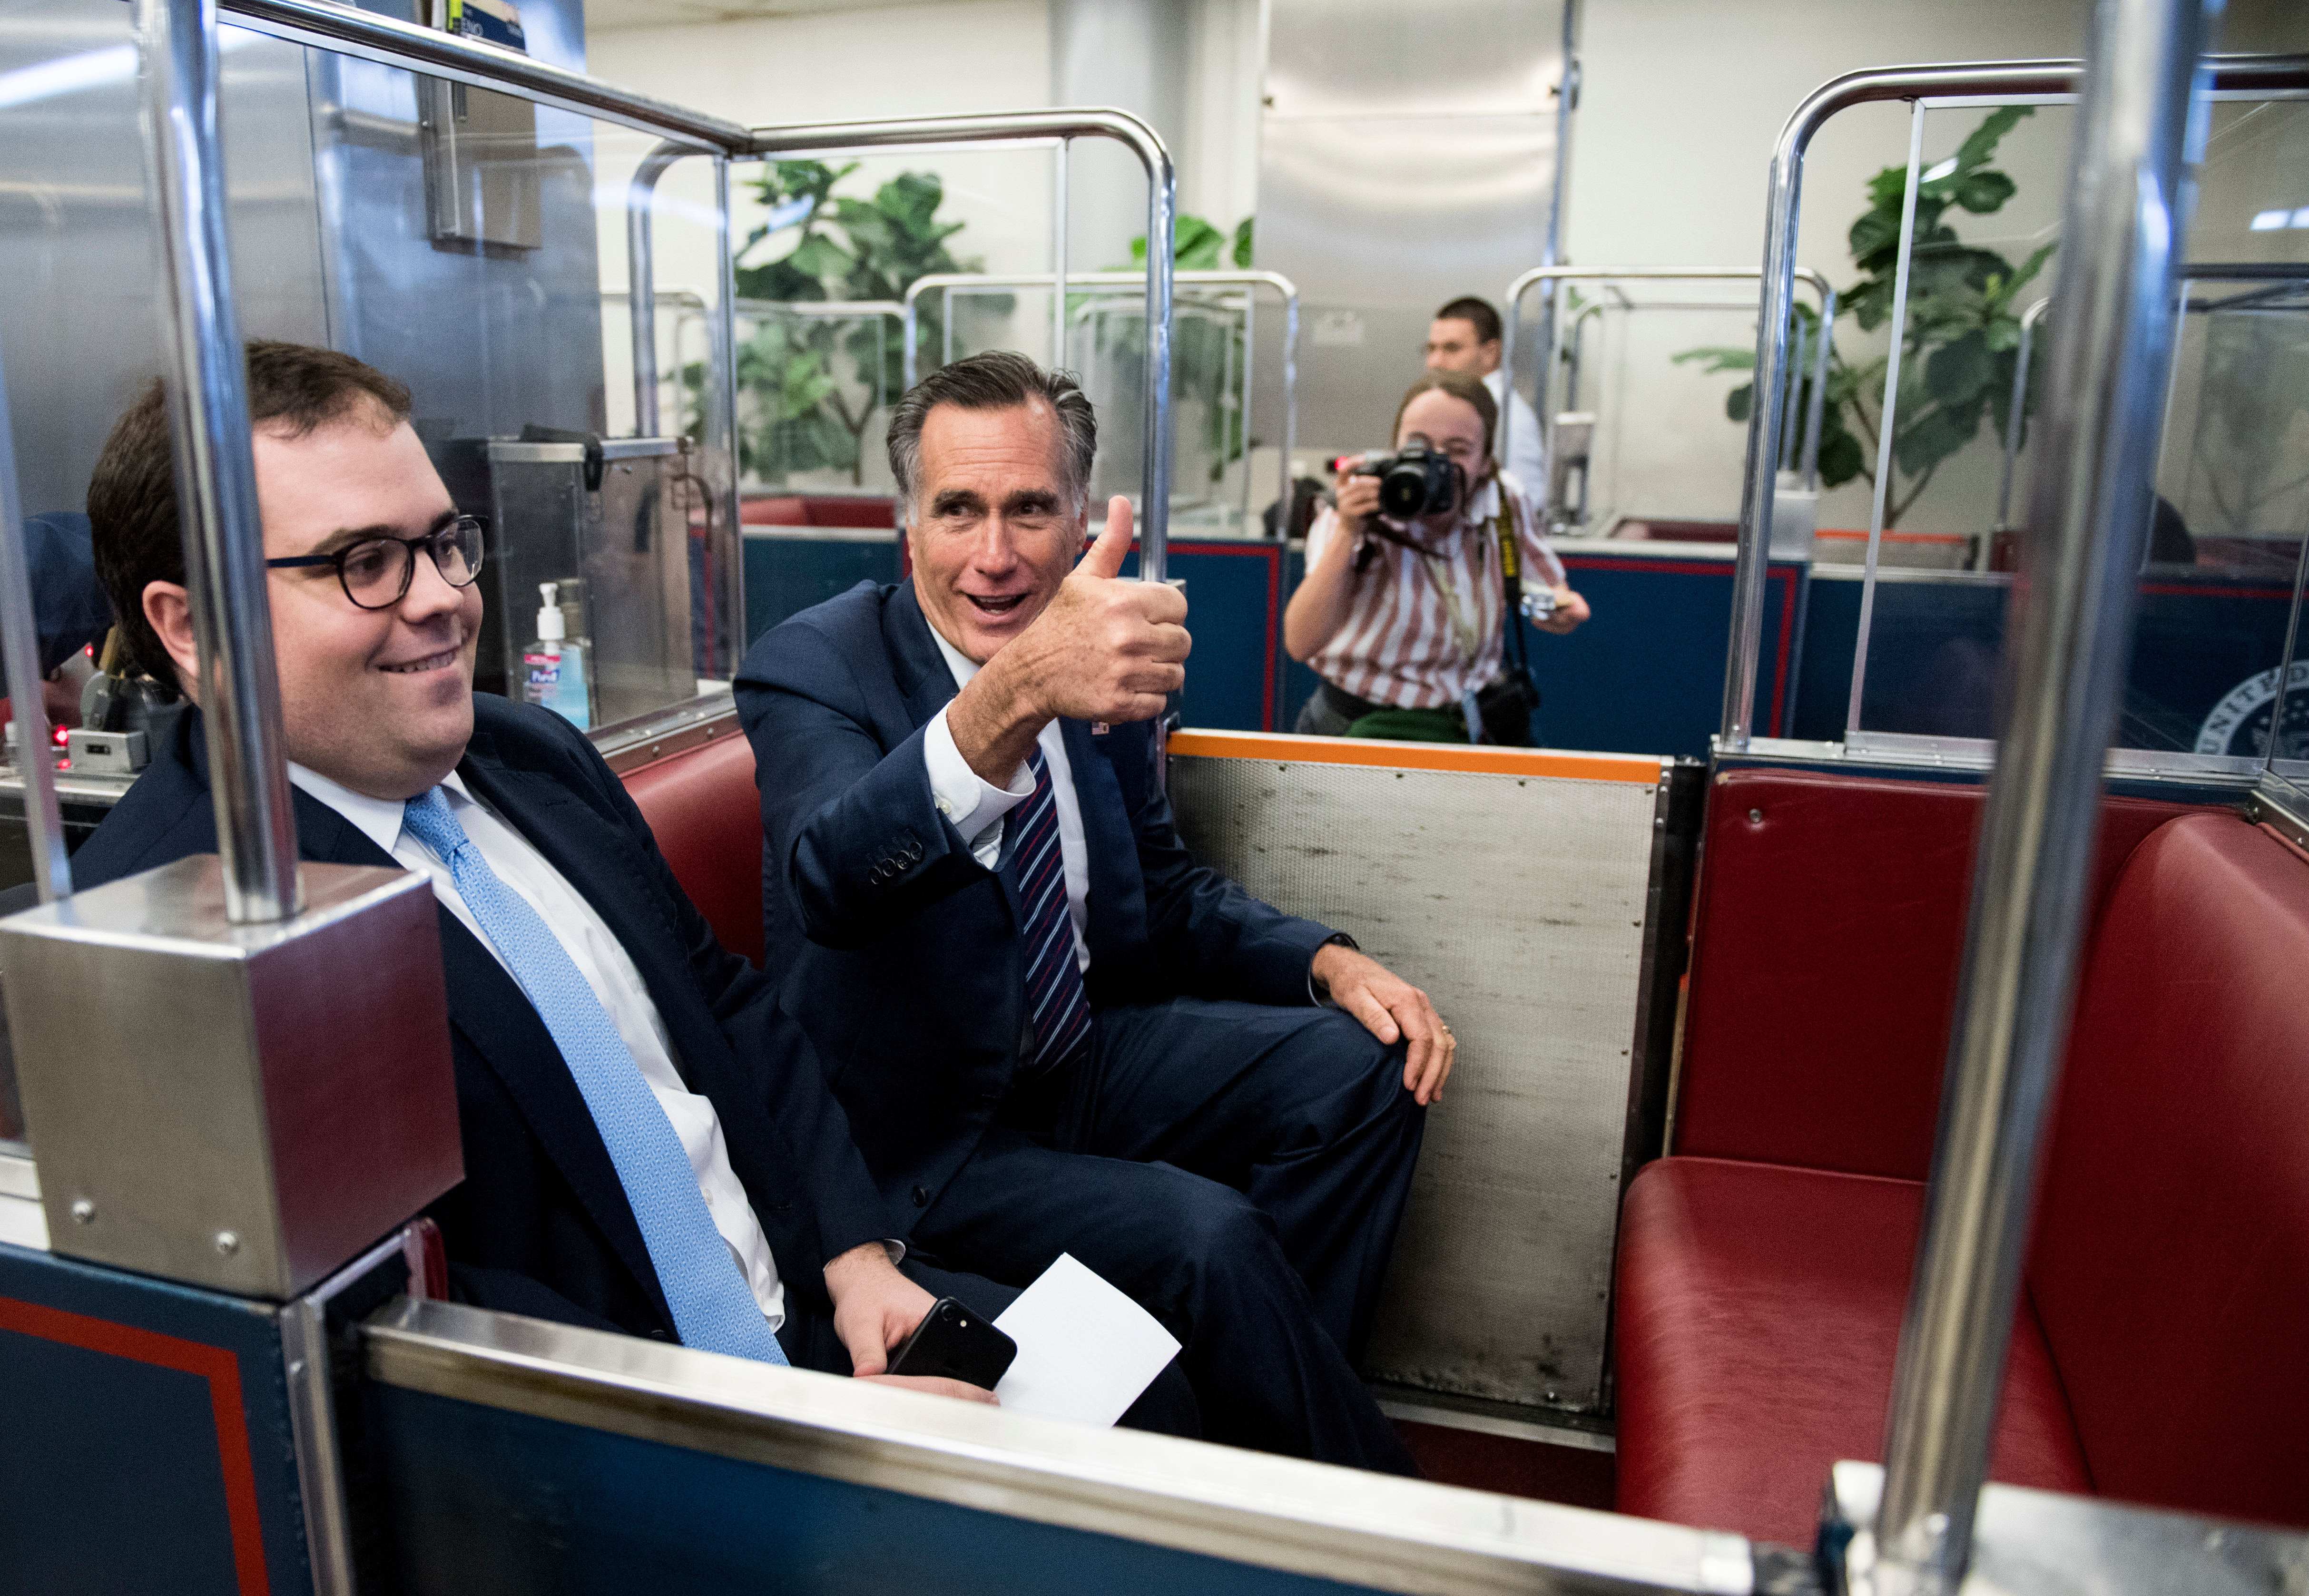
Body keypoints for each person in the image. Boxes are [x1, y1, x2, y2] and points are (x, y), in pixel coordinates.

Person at [69, 340, 1197, 1426]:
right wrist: (783, 1427)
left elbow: (731, 1010)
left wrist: (856, 1256)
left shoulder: (529, 760)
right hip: (629, 1431)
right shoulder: (179, 928)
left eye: (445, 541)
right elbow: (396, 1324)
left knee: (1156, 1393)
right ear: (190, 625)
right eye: (363, 562)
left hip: (813, 1315)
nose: (442, 600)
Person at [735, 351, 1444, 1475]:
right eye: (957, 509)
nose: (995, 552)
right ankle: (1372, 1508)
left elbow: (1158, 891)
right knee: (1211, 1241)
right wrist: (1016, 689)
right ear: (907, 528)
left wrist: (1325, 960)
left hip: (1079, 1054)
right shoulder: (818, 662)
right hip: (926, 1132)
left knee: (1364, 1065)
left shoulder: (1096, 650)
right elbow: (829, 873)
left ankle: (1246, 1408)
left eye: (1029, 507)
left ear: (1080, 520)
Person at [1285, 371, 1589, 744]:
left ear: (1485, 459)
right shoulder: (1358, 504)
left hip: (1468, 719)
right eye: (1419, 444)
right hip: (1364, 720)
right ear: (1396, 447)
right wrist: (1349, 529)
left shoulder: (1503, 501)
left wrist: (1559, 610)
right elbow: (1299, 641)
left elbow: (1551, 593)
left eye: (1458, 449)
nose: (1435, 463)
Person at [1425, 296, 1546, 493]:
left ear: (1490, 353)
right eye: (1432, 349)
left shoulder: (1507, 417)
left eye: (1452, 348)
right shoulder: (1454, 406)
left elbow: (1527, 501)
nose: (1435, 362)